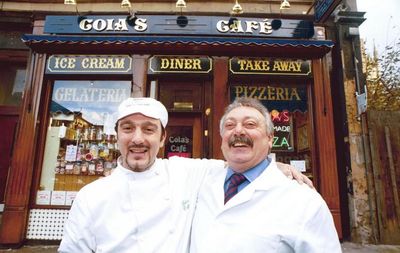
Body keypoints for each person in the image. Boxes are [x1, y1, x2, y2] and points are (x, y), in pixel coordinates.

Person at [58, 97, 313, 253]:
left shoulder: (184, 171)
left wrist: (275, 167)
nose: (137, 138)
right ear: (117, 135)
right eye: (128, 129)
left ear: (162, 137)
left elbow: (236, 162)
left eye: (148, 129)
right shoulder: (90, 196)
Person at [190, 97, 341, 253]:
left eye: (250, 124)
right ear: (222, 139)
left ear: (270, 139)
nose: (238, 130)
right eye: (230, 125)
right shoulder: (200, 181)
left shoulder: (304, 201)